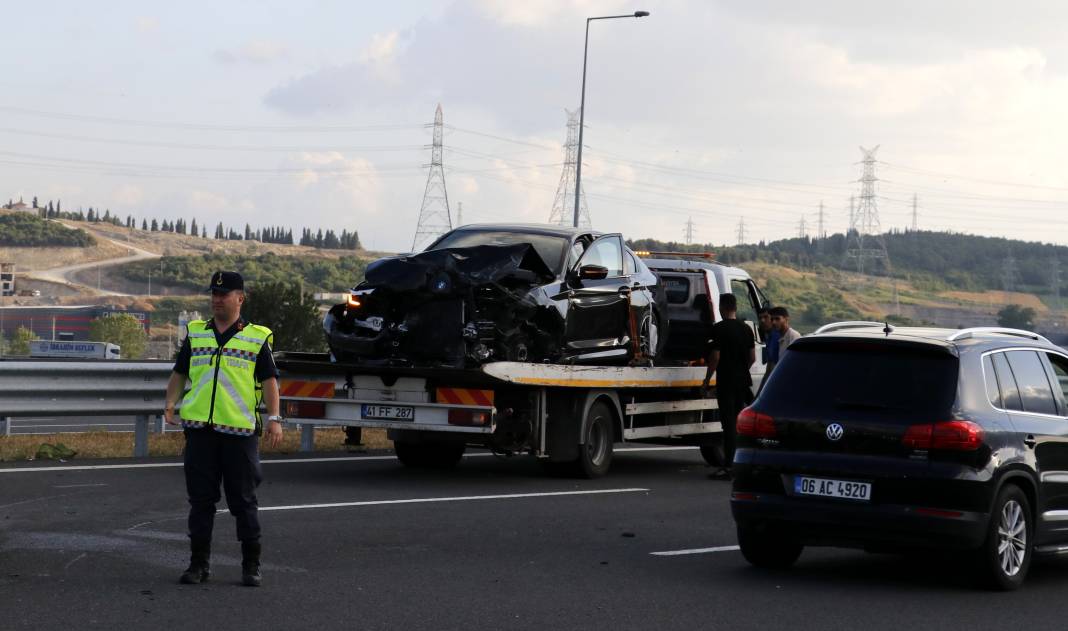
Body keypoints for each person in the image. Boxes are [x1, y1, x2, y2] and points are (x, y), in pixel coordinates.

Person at [164, 271, 283, 587]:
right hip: (200, 430)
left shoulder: (256, 338)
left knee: (242, 501)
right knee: (200, 501)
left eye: (224, 294)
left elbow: (270, 381)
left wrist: (274, 417)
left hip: (239, 433)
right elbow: (180, 372)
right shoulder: (197, 334)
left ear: (240, 298)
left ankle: (251, 565)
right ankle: (198, 565)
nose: (217, 299)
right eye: (214, 294)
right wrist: (170, 403)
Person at [702, 293, 755, 479]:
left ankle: (729, 466)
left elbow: (715, 357)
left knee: (728, 425)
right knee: (738, 423)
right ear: (735, 307)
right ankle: (739, 463)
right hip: (742, 382)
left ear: (722, 307)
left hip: (726, 381)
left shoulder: (718, 329)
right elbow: (752, 358)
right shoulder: (747, 329)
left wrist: (707, 380)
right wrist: (741, 370)